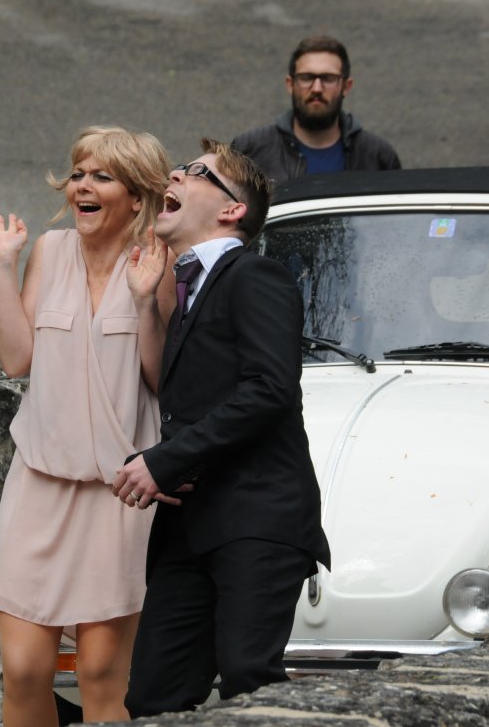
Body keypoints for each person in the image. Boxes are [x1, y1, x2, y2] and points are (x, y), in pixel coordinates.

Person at [113, 139, 331, 716]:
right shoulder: (187, 290)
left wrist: (166, 459)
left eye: (195, 172)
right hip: (188, 528)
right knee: (153, 698)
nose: (174, 175)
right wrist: (144, 303)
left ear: (233, 209)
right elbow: (183, 397)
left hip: (256, 519)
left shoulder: (255, 276)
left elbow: (270, 389)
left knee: (248, 683)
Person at [0, 126, 176, 726]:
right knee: (24, 670)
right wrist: (4, 266)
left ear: (136, 197)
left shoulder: (158, 263)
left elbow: (162, 378)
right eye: (79, 174)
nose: (82, 186)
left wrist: (145, 301)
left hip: (118, 498)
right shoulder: (51, 250)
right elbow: (17, 359)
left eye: (102, 177)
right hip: (38, 486)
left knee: (100, 674)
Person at [232, 35, 401, 191]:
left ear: (346, 87)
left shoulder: (378, 157)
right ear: (290, 84)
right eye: (307, 77)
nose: (317, 88)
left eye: (328, 78)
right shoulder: (249, 152)